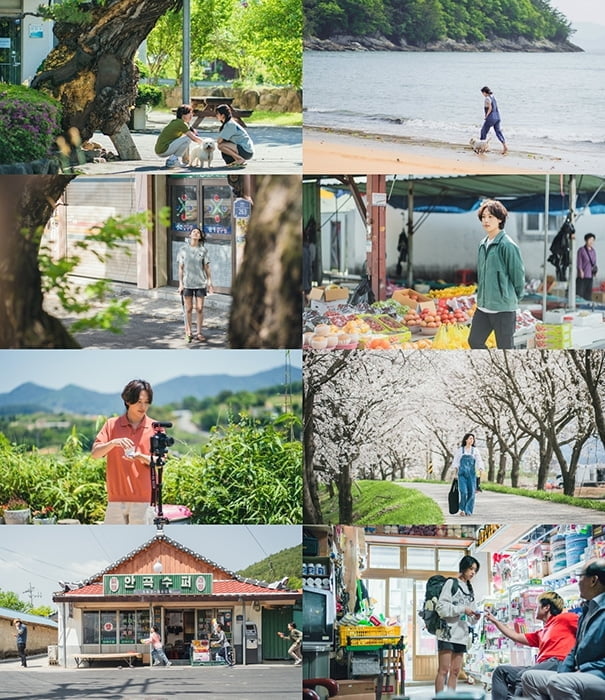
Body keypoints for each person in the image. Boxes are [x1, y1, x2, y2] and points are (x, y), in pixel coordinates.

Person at [521, 559, 605, 700]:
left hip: (599, 674)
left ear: (593, 580)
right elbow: (575, 649)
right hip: (581, 673)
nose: (578, 582)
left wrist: (582, 670)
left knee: (559, 683)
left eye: (581, 576)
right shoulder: (586, 611)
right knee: (530, 677)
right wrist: (565, 671)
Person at [486, 591, 578, 700]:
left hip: (559, 662)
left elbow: (587, 626)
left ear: (546, 607)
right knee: (500, 671)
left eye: (537, 606)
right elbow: (515, 636)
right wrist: (495, 621)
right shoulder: (542, 632)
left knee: (524, 675)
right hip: (543, 665)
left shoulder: (565, 618)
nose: (535, 609)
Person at [91, 379, 157, 525]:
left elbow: (160, 462)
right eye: (139, 401)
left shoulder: (155, 427)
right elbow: (95, 454)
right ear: (128, 400)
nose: (143, 406)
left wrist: (141, 457)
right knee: (113, 545)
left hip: (144, 500)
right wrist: (113, 443)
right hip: (115, 499)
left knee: (143, 546)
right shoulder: (112, 424)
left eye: (146, 402)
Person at [468, 199, 525, 350]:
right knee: (474, 341)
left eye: (490, 217)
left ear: (500, 219)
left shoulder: (507, 245)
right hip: (483, 307)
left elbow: (518, 276)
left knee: (505, 349)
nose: (486, 220)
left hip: (503, 310)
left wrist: (510, 298)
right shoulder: (482, 244)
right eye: (484, 217)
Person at [434, 555, 481, 694]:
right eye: (471, 568)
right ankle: (439, 698)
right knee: (443, 670)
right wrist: (462, 609)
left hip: (462, 634)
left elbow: (471, 618)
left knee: (455, 671)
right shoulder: (451, 583)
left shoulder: (470, 589)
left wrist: (475, 616)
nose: (473, 572)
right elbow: (441, 608)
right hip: (447, 633)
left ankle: (451, 697)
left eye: (475, 570)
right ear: (463, 568)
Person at [177, 227, 213, 343]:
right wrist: (181, 284)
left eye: (198, 232)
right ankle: (188, 331)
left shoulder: (203, 250)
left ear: (200, 237)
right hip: (187, 283)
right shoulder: (183, 249)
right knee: (188, 309)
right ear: (190, 235)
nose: (196, 233)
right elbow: (180, 268)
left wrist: (209, 282)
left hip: (200, 283)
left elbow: (206, 267)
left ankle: (199, 333)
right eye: (194, 232)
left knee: (200, 308)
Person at [155, 104, 206, 168]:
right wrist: (205, 143)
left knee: (186, 138)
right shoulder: (181, 124)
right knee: (188, 138)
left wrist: (192, 130)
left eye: (192, 113)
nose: (192, 115)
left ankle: (185, 160)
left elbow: (189, 130)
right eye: (189, 113)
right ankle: (173, 160)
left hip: (160, 149)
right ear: (183, 115)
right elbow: (194, 138)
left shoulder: (176, 122)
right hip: (163, 150)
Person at [452, 433, 484, 516]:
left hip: (472, 474)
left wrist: (480, 468)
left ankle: (468, 510)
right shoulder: (460, 450)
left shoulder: (475, 450)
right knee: (464, 492)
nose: (471, 440)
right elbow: (456, 462)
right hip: (462, 474)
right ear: (466, 440)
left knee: (472, 492)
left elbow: (479, 460)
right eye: (470, 438)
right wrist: (455, 474)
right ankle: (462, 509)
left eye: (472, 439)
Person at [215, 104, 254, 169]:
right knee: (223, 144)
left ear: (223, 115)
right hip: (244, 149)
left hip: (246, 151)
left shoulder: (230, 125)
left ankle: (240, 159)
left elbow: (219, 141)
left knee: (221, 146)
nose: (216, 116)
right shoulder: (229, 123)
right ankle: (237, 160)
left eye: (217, 114)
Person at [479, 86, 507, 154]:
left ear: (484, 92)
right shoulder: (493, 97)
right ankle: (505, 146)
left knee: (483, 131)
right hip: (497, 117)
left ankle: (483, 147)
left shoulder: (487, 98)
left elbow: (490, 108)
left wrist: (486, 116)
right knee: (498, 132)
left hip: (491, 118)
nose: (483, 95)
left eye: (482, 93)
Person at [577, 233, 597, 301]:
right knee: (580, 293)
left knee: (588, 293)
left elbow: (594, 263)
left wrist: (595, 271)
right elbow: (579, 261)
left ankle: (587, 307)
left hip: (590, 275)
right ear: (586, 240)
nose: (591, 241)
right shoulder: (581, 250)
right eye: (590, 240)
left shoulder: (593, 251)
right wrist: (580, 270)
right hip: (583, 275)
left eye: (593, 240)